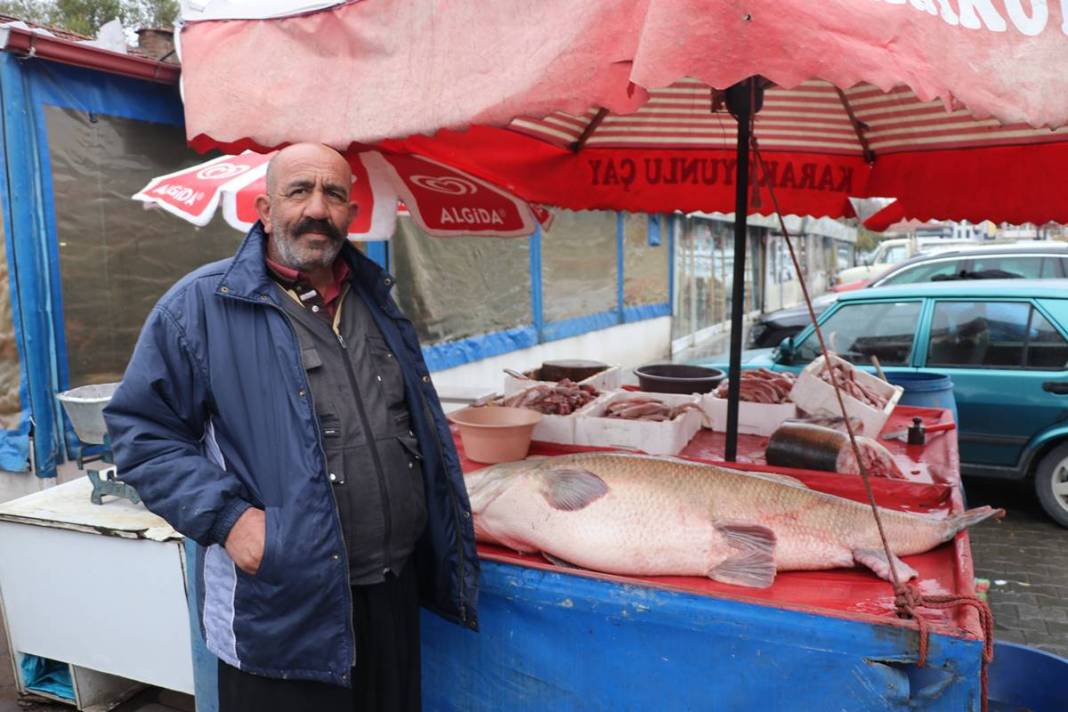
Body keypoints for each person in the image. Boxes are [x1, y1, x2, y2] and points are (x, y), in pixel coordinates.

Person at [104, 143, 479, 712]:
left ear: (351, 214)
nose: (317, 209)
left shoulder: (376, 301)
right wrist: (229, 519)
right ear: (264, 209)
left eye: (333, 194)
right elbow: (142, 434)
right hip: (282, 605)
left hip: (390, 590)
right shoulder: (200, 306)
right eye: (299, 191)